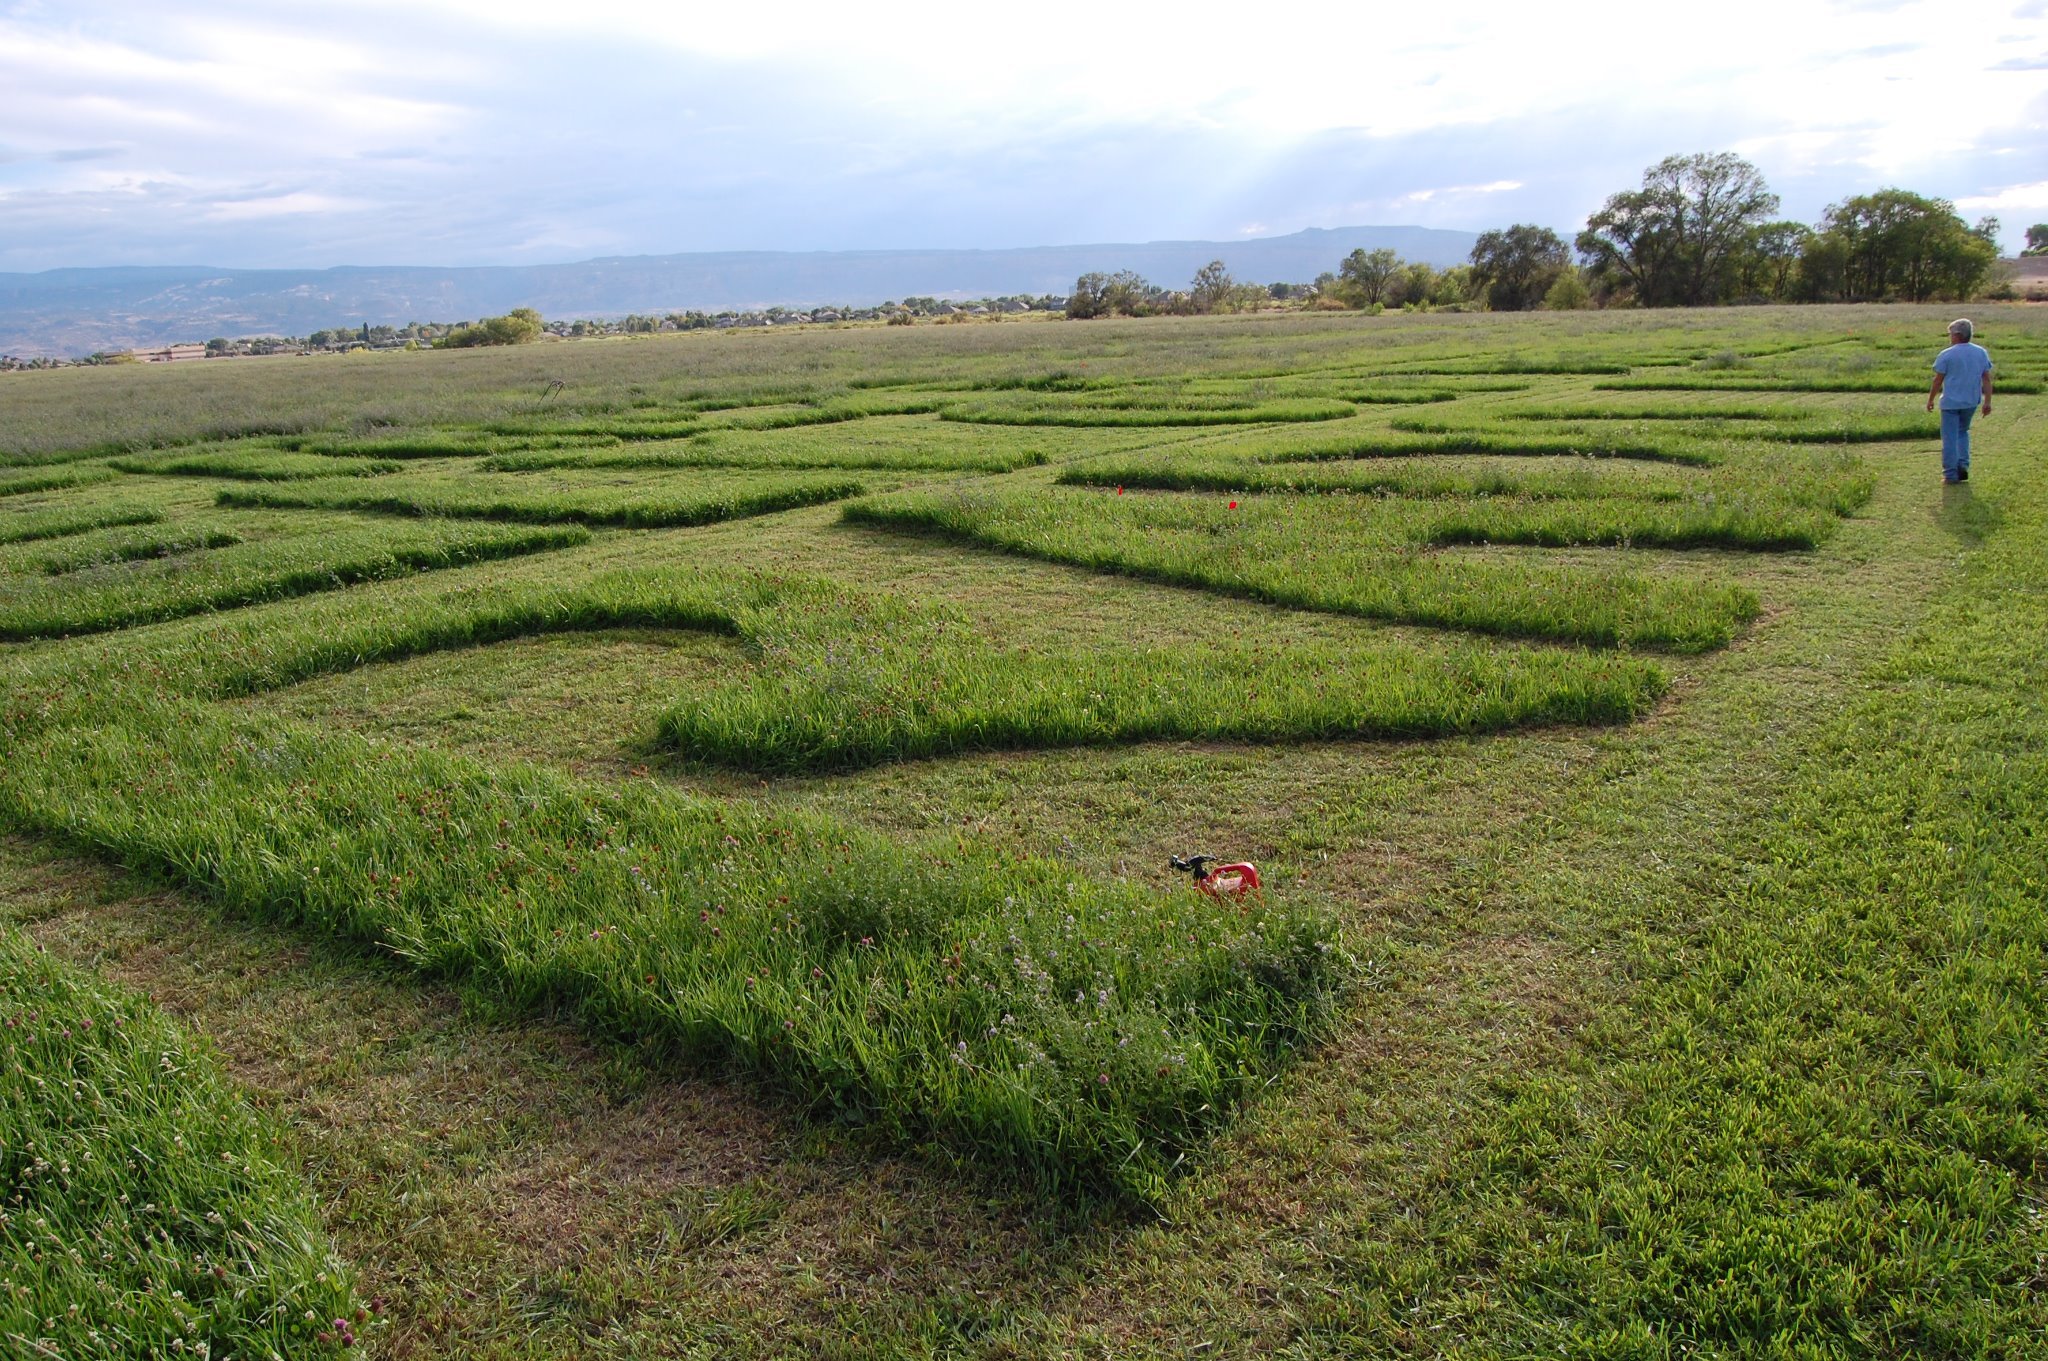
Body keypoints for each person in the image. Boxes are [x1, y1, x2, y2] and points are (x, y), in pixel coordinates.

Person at [1927, 318, 1994, 483]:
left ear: (1957, 335)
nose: (1950, 337)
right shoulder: (1980, 352)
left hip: (1950, 402)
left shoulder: (1947, 354)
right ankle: (1963, 465)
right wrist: (1987, 401)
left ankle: (1950, 473)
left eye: (1951, 334)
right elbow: (1986, 379)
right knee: (1962, 432)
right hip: (1971, 401)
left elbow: (1938, 380)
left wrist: (1931, 399)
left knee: (1949, 437)